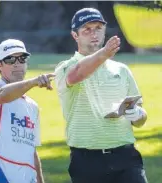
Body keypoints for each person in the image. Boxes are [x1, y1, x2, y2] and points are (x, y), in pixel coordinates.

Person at [54, 8, 148, 183]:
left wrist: (138, 115)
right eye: (87, 30)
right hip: (87, 160)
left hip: (125, 156)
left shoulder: (121, 70)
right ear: (75, 35)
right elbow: (77, 75)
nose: (94, 33)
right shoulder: (65, 67)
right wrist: (104, 54)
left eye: (98, 28)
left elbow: (140, 115)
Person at [0, 39, 54, 183]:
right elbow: (2, 96)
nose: (17, 63)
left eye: (22, 59)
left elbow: (32, 151)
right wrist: (33, 82)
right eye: (10, 59)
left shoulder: (32, 106)